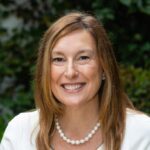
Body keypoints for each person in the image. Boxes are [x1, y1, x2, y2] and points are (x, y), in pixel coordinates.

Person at [0, 11, 150, 150]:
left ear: (104, 67)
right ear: (45, 70)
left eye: (83, 58)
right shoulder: (21, 131)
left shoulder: (141, 133)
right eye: (59, 59)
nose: (70, 72)